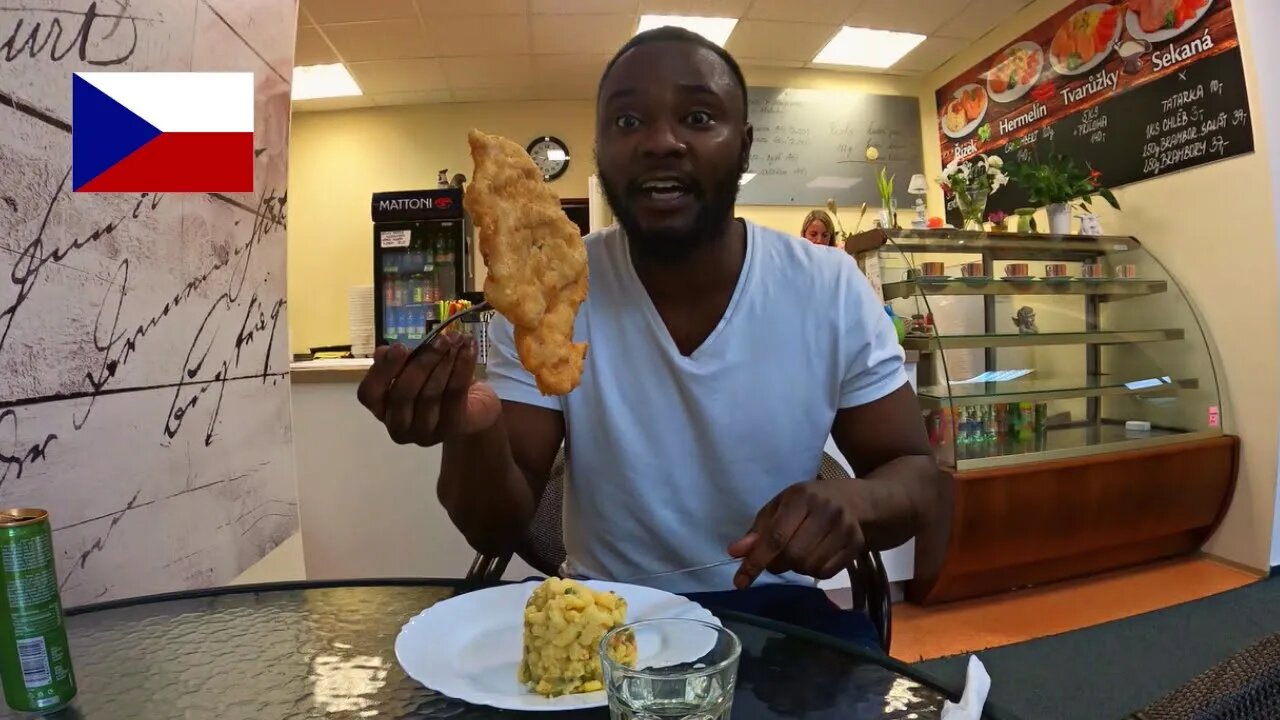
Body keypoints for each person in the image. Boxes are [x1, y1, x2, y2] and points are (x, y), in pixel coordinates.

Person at [356, 27, 941, 650]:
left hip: (776, 620)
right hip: (607, 619)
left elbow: (915, 477)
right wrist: (470, 433)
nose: (661, 141)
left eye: (697, 116)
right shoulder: (549, 293)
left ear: (743, 147)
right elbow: (494, 529)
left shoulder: (828, 289)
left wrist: (856, 502)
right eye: (628, 120)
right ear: (601, 151)